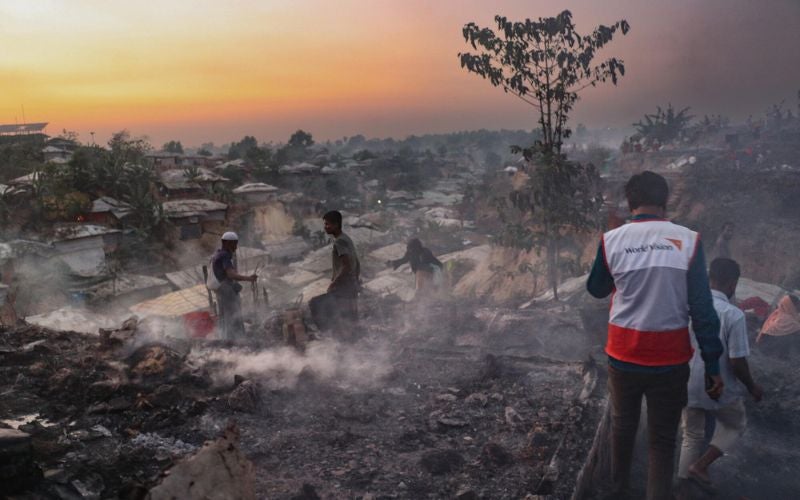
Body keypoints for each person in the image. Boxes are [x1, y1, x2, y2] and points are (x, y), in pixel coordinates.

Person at [586, 171, 724, 500]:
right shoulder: (689, 241)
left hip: (623, 356)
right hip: (670, 360)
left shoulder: (612, 240)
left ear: (630, 203)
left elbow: (596, 289)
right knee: (662, 440)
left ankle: (619, 491)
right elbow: (702, 308)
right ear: (664, 203)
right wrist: (713, 364)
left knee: (623, 426)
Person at [677, 258, 763, 494]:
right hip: (718, 386)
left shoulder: (689, 306)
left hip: (686, 382)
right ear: (733, 284)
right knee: (735, 425)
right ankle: (701, 465)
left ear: (709, 278)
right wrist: (752, 386)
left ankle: (682, 492)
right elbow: (737, 362)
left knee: (691, 435)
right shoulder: (733, 315)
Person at [309, 211, 361, 338]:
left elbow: (346, 265)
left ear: (336, 224)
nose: (325, 227)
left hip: (343, 286)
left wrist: (334, 283)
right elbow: (356, 263)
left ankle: (329, 335)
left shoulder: (339, 242)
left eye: (328, 224)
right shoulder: (346, 238)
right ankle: (349, 339)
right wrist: (356, 280)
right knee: (347, 315)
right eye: (325, 224)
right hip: (350, 285)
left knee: (315, 304)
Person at [210, 232, 257, 340]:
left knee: (224, 317)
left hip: (221, 290)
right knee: (234, 315)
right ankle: (236, 340)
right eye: (234, 243)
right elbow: (231, 274)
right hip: (226, 290)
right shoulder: (225, 255)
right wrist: (249, 278)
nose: (236, 246)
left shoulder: (217, 254)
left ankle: (226, 339)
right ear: (227, 243)